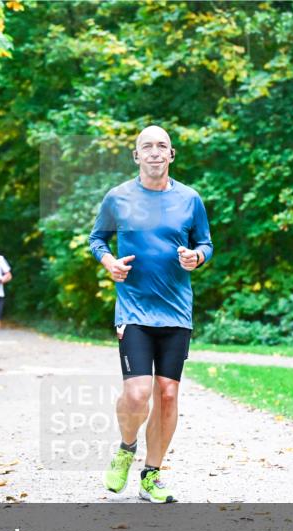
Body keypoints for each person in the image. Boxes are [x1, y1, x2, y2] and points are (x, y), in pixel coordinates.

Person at [87, 125, 213, 503]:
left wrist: (197, 257)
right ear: (136, 156)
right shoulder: (118, 197)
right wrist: (108, 261)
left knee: (169, 393)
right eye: (148, 147)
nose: (155, 152)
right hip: (134, 308)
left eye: (162, 146)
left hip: (176, 310)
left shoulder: (190, 199)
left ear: (171, 155)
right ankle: (127, 448)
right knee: (138, 392)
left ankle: (151, 474)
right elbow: (97, 239)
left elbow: (205, 242)